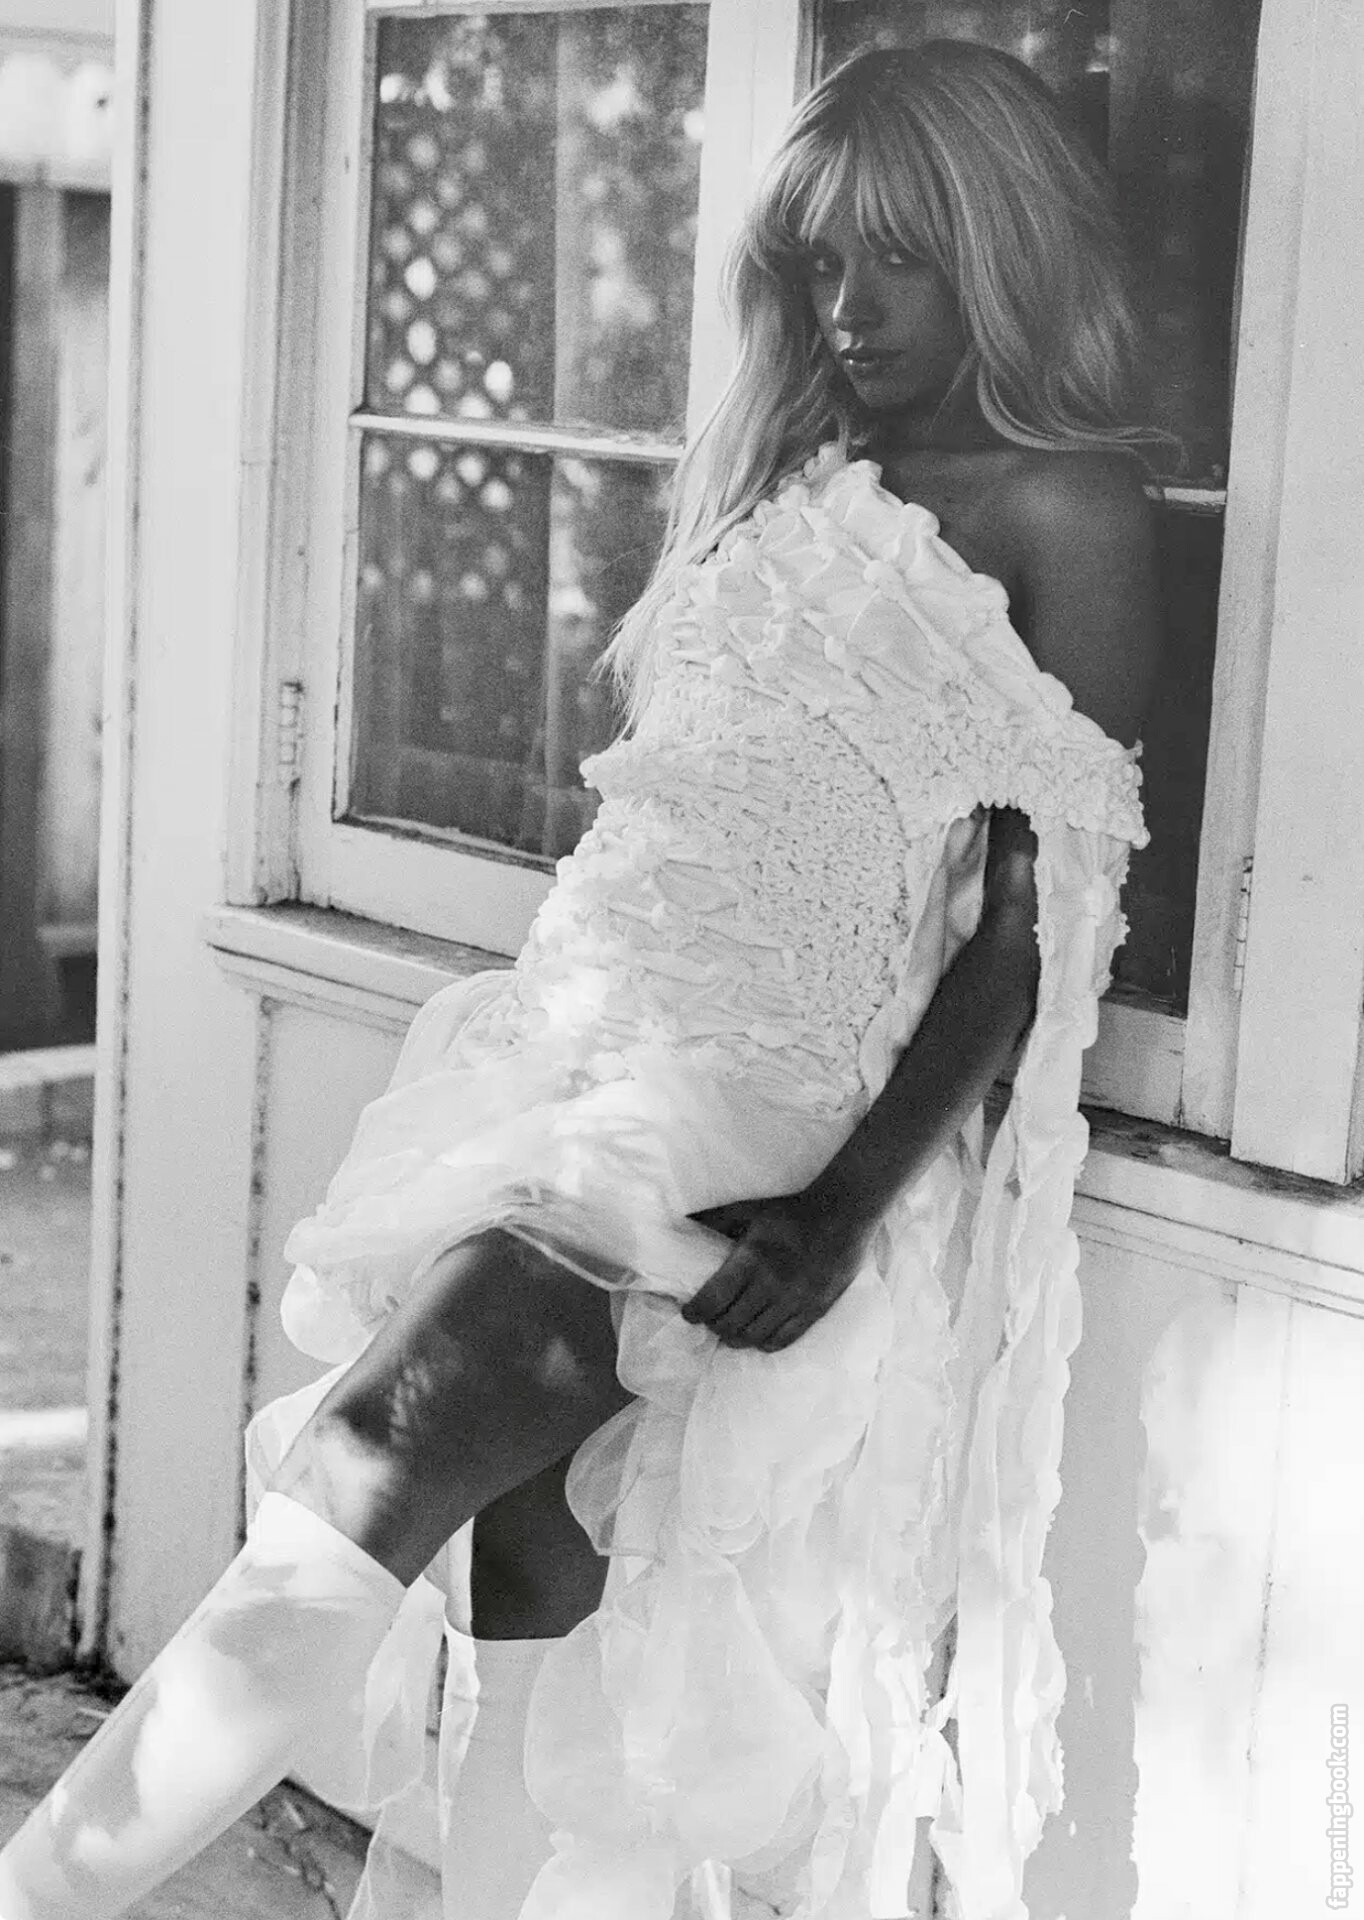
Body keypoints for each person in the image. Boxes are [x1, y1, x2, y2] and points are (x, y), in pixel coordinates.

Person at [0, 38, 1161, 1920]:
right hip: (580, 1056)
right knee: (530, 1589)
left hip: (756, 1112)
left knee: (368, 1459)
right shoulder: (799, 465)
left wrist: (848, 1205)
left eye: (900, 259)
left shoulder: (1066, 508)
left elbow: (1042, 916)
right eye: (819, 261)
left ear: (1001, 246)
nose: (848, 309)